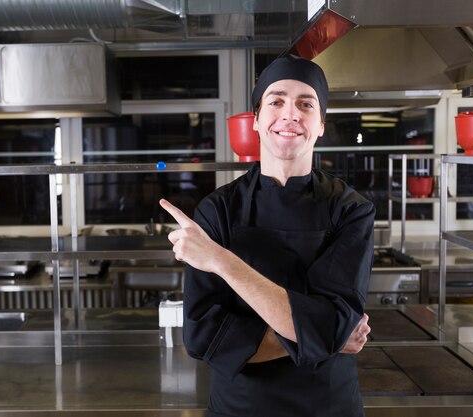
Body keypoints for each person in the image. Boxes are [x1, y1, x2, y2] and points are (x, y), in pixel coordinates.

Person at [159, 56, 374, 417]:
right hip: (240, 408)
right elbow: (202, 337)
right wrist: (320, 338)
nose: (290, 114)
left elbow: (335, 323)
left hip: (329, 407)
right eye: (276, 101)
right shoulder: (218, 210)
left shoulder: (350, 210)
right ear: (256, 119)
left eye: (306, 104)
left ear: (321, 124)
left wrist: (221, 261)